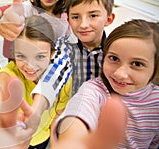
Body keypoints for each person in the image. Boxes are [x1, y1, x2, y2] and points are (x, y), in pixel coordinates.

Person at [0, 15, 71, 148]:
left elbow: (58, 114)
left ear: (51, 54)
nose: (30, 66)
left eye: (39, 56)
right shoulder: (10, 73)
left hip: (43, 138)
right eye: (21, 56)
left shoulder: (63, 79)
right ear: (14, 53)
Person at [51, 19, 159, 149]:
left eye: (137, 64)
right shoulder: (95, 90)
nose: (120, 74)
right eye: (114, 58)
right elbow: (78, 114)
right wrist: (72, 141)